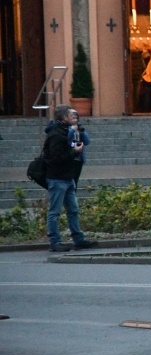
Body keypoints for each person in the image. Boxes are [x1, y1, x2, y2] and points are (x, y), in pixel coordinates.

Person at [43, 105, 97, 252]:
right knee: (55, 211)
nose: (73, 118)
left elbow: (84, 141)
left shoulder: (66, 131)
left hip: (68, 177)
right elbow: (56, 158)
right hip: (57, 178)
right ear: (63, 118)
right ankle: (55, 242)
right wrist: (74, 152)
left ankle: (78, 239)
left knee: (73, 209)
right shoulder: (56, 135)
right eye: (70, 115)